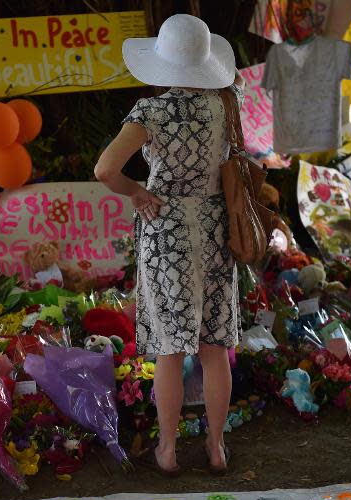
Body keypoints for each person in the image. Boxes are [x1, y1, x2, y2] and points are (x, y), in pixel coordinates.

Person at [94, 13, 244, 476]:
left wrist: (138, 192)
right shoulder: (225, 104)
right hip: (217, 228)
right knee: (214, 347)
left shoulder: (150, 113)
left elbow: (104, 170)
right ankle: (217, 447)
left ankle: (168, 450)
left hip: (168, 231)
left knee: (172, 349)